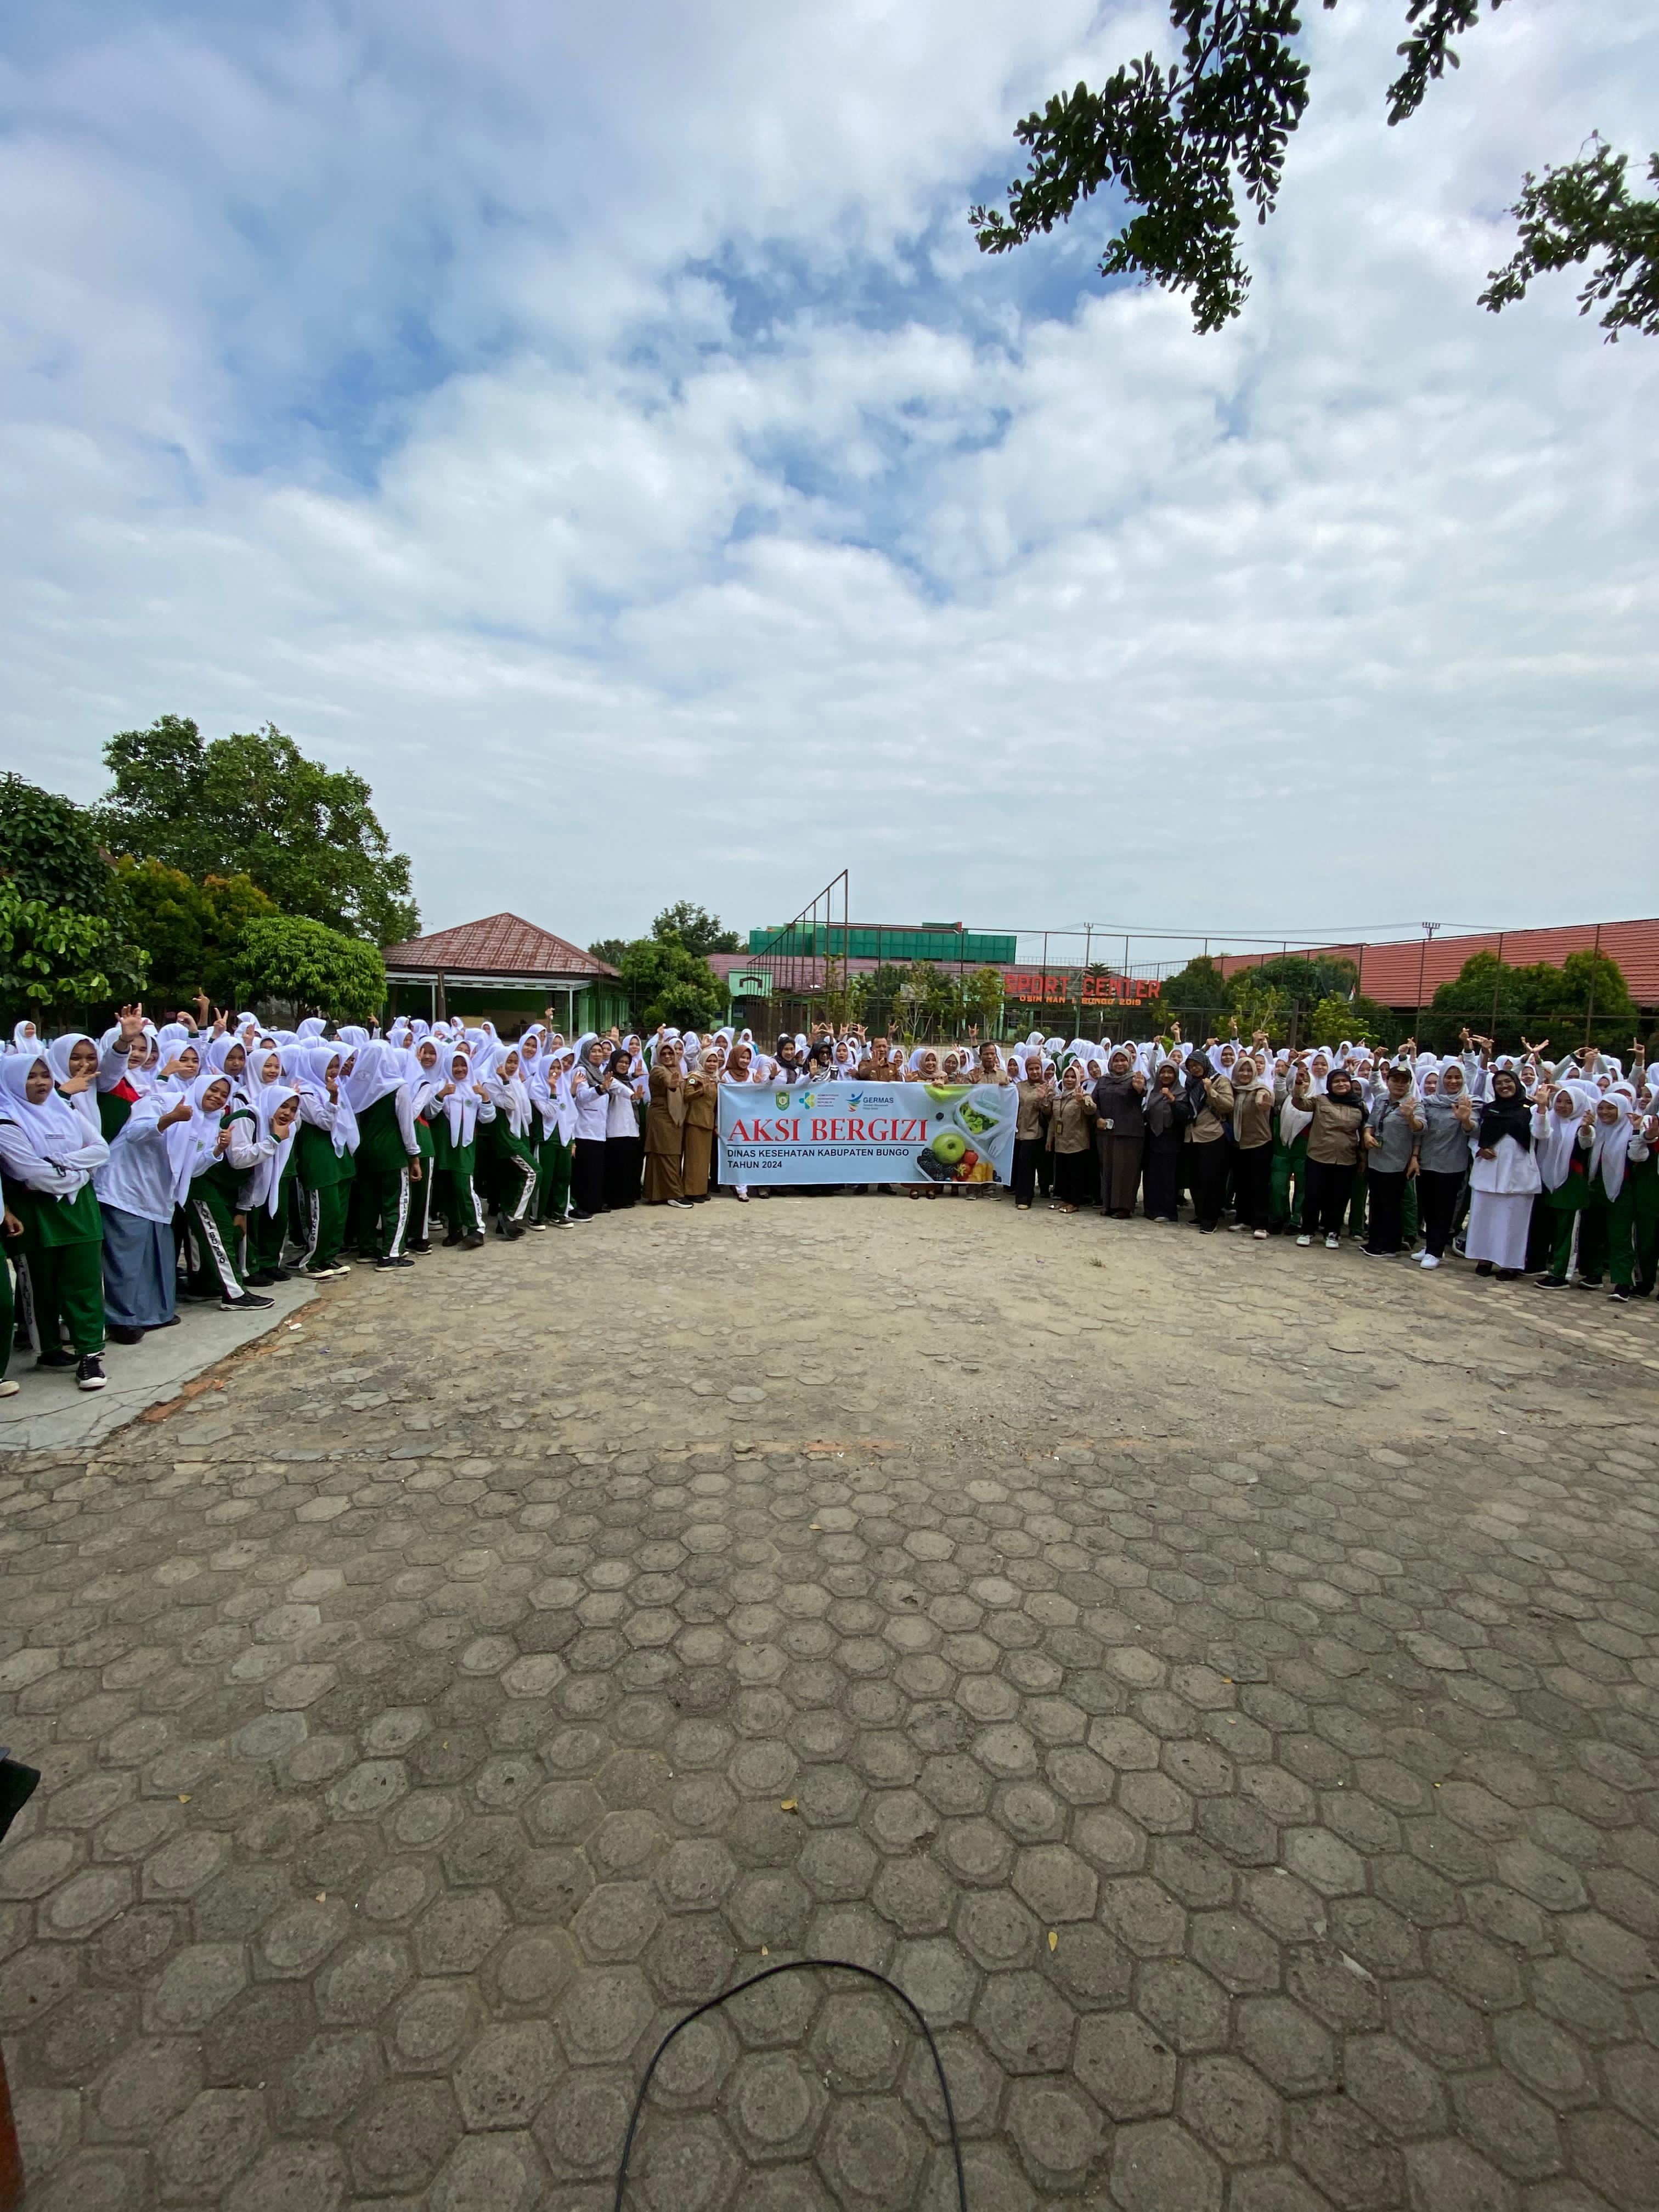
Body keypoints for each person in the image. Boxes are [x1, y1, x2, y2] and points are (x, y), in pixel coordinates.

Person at [0, 1048, 111, 1388]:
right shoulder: (7, 1120)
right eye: (31, 1077)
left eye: (45, 1075)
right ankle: (48, 1348)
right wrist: (81, 1172)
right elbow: (31, 1173)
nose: (40, 1083)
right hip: (36, 1215)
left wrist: (61, 1163)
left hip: (79, 1209)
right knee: (41, 1283)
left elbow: (101, 1149)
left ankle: (90, 1356)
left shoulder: (63, 1109)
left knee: (85, 1283)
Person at [1465, 1065, 1540, 1280]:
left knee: (1513, 1221)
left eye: (1508, 1082)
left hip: (1518, 1172)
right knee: (1485, 1217)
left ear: (1517, 1084)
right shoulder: (1489, 1109)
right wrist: (1479, 1150)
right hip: (1489, 1170)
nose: (1504, 1086)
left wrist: (1543, 1110)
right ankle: (1484, 1258)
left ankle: (1510, 1264)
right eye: (1499, 1083)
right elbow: (1475, 1137)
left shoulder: (1531, 1109)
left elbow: (1541, 1134)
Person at [1295, 1065, 1367, 1250]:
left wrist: (1363, 1158)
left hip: (1346, 1158)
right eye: (1337, 1081)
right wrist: (1299, 1084)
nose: (1341, 1084)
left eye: (1345, 1081)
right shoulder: (1321, 1100)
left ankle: (1332, 1232)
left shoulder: (1360, 1105)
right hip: (1319, 1156)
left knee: (1339, 1197)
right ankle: (1307, 1230)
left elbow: (1364, 1133)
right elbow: (1300, 1103)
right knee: (1313, 1195)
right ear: (1330, 1084)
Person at [1415, 1059, 1476, 1268]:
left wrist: (1465, 1119)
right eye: (1448, 1077)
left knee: (1444, 1208)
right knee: (1429, 1207)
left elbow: (1475, 1131)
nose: (1453, 1081)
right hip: (1427, 1161)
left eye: (1457, 1077)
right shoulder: (1429, 1101)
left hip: (1452, 1164)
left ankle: (1435, 1251)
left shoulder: (1469, 1102)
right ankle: (1431, 1245)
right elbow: (1421, 1131)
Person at [1361, 1063, 1423, 1257]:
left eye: (1404, 1082)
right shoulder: (1381, 1100)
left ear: (1410, 1084)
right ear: (1388, 1081)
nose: (1399, 1085)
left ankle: (1390, 1245)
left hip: (1397, 1162)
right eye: (1395, 1080)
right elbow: (1371, 1122)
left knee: (1391, 1203)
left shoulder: (1414, 1104)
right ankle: (1375, 1240)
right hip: (1377, 1159)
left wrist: (1410, 1117)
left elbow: (1420, 1131)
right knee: (1377, 1201)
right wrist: (1367, 1135)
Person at [1182, 1052, 1235, 1233]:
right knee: (1195, 1179)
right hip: (1192, 1135)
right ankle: (1201, 1213)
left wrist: (1210, 1091)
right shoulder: (1190, 1083)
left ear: (1205, 1063)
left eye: (1197, 1064)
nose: (1194, 1068)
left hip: (1212, 1135)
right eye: (1191, 1065)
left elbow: (1228, 1105)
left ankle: (1211, 1218)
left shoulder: (1219, 1081)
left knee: (1210, 1179)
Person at [1091, 1049, 1146, 1220]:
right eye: (1116, 1060)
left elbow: (1142, 1096)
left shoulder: (1134, 1079)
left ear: (1129, 1062)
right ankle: (1108, 1204)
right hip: (1106, 1133)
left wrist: (1139, 1089)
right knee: (1108, 1169)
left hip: (1129, 1134)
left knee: (1126, 1170)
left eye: (1123, 1060)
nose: (1120, 1064)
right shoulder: (1103, 1080)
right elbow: (1094, 1103)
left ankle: (1124, 1207)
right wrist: (1098, 1118)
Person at [1228, 1054, 1275, 1239]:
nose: (1245, 1073)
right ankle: (1244, 1219)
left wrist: (1263, 1103)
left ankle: (1261, 1224)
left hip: (1259, 1143)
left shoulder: (1260, 1089)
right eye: (1242, 1069)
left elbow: (1266, 1101)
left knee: (1259, 1184)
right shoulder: (1234, 1090)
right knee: (1241, 1183)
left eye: (1249, 1070)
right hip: (1239, 1144)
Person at [644, 1038, 691, 1207]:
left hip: (674, 1118)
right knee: (668, 1156)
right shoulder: (658, 1070)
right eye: (663, 1053)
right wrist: (671, 1085)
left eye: (670, 1052)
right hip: (662, 1117)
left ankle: (656, 1194)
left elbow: (684, 1093)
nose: (667, 1056)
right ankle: (674, 1194)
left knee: (662, 1157)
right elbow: (665, 1080)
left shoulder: (676, 1069)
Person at [1047, 1063, 1098, 1212]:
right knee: (1062, 1173)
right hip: (1061, 1141)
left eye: (1073, 1077)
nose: (1069, 1080)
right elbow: (1054, 1120)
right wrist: (1050, 1140)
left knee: (1075, 1174)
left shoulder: (1083, 1094)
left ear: (1078, 1079)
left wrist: (1082, 1101)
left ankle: (1074, 1203)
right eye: (1067, 1076)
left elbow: (1092, 1110)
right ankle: (1064, 1200)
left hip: (1077, 1141)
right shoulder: (1058, 1098)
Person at [568, 1038, 610, 1218]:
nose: (597, 1054)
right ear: (586, 1053)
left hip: (598, 1129)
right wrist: (600, 1089)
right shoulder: (581, 1070)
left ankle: (594, 1203)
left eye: (600, 1051)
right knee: (585, 1171)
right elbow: (583, 1096)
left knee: (595, 1170)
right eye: (593, 1051)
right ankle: (583, 1204)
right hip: (585, 1129)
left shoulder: (599, 1072)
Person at [602, 1049, 644, 1210]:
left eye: (627, 1063)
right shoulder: (609, 1079)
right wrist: (633, 1095)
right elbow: (619, 1090)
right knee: (616, 1167)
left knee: (628, 1167)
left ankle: (627, 1197)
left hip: (631, 1129)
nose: (624, 1065)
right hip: (615, 1129)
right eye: (621, 1062)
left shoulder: (627, 1080)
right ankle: (616, 1200)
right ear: (614, 1062)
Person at [1011, 1062, 1053, 1211]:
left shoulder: (1048, 1088)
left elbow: (1049, 1113)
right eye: (1031, 1069)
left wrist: (1043, 1100)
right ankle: (1023, 1193)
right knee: (1021, 1165)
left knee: (1027, 1165)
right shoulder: (1019, 1086)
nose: (1034, 1072)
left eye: (1037, 1069)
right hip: (1018, 1131)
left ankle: (1025, 1199)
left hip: (1035, 1132)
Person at [681, 1044, 718, 1202]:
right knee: (693, 1159)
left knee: (704, 1160)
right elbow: (686, 1096)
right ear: (702, 1061)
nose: (712, 1064)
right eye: (709, 1061)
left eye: (715, 1061)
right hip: (695, 1121)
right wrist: (701, 1091)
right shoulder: (694, 1077)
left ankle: (701, 1189)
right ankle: (690, 1191)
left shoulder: (715, 1079)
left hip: (708, 1122)